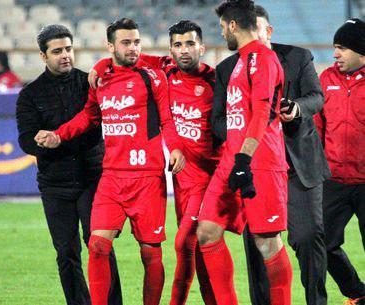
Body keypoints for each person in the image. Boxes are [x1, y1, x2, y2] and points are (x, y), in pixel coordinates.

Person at [35, 18, 185, 305]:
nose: (133, 48)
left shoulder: (152, 77)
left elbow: (167, 119)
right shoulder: (101, 79)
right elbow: (90, 116)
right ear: (111, 46)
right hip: (112, 178)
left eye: (137, 42)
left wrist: (176, 149)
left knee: (150, 253)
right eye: (126, 43)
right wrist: (58, 135)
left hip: (147, 179)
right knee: (97, 245)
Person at [87, 20, 217, 305]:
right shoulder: (164, 71)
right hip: (181, 179)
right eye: (178, 45)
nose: (184, 50)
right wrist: (99, 65)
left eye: (191, 44)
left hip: (207, 178)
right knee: (192, 249)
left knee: (188, 243)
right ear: (170, 51)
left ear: (202, 48)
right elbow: (127, 55)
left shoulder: (215, 81)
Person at [212, 5, 331, 305]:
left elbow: (316, 97)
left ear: (268, 30)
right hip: (255, 164)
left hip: (298, 164)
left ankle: (316, 301)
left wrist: (296, 109)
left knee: (306, 239)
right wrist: (246, 134)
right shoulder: (227, 69)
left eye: (262, 30)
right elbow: (218, 121)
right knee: (258, 244)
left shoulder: (298, 57)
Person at [15, 24, 122, 305]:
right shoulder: (30, 95)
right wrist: (39, 142)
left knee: (100, 246)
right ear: (43, 55)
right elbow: (25, 140)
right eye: (57, 51)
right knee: (66, 254)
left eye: (69, 49)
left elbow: (97, 128)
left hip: (92, 179)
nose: (65, 55)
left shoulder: (91, 83)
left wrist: (59, 139)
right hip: (55, 185)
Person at [196, 1, 293, 305]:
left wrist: (244, 158)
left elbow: (263, 111)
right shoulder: (240, 61)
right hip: (231, 160)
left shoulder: (264, 59)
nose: (222, 32)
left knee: (267, 243)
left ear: (233, 25)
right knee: (207, 231)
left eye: (222, 27)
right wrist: (235, 159)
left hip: (260, 162)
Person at [314, 18, 365, 305]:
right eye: (335, 47)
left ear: (361, 51)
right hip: (332, 179)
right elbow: (317, 128)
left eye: (342, 48)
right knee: (324, 243)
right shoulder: (325, 80)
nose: (335, 54)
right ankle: (357, 293)